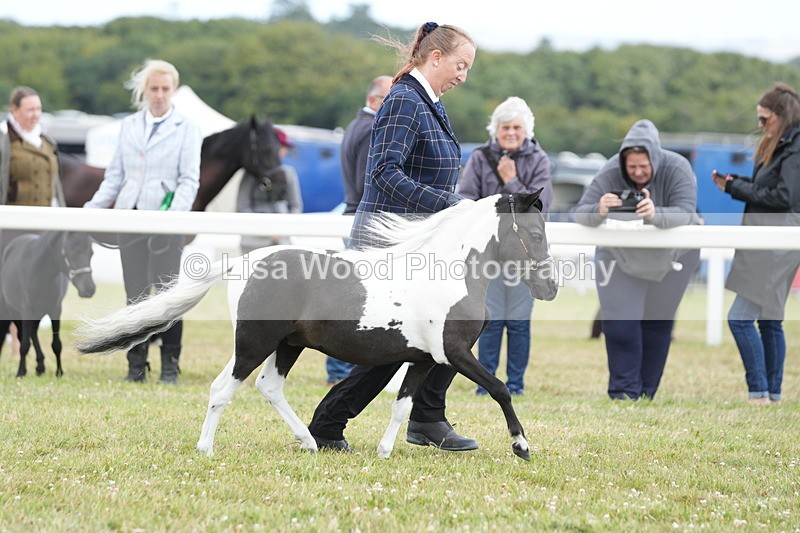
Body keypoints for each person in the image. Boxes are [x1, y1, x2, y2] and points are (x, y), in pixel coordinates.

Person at [308, 21, 478, 452]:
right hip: (389, 236)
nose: (463, 76)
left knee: (443, 325)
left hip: (415, 236)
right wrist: (451, 205)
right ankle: (349, 422)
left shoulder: (427, 100)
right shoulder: (405, 100)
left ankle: (419, 418)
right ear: (435, 57)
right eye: (460, 65)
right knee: (407, 336)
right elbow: (383, 173)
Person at [84, 59, 202, 385]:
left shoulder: (188, 128)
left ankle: (169, 367)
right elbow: (115, 177)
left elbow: (189, 181)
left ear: (173, 90)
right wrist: (90, 208)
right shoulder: (129, 125)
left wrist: (172, 220)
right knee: (134, 295)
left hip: (167, 223)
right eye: (154, 88)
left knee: (167, 295)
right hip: (130, 218)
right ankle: (136, 366)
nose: (160, 94)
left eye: (165, 88)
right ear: (144, 90)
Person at [572, 119, 701, 401]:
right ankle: (622, 392)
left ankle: (645, 393)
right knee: (620, 324)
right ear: (623, 163)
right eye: (632, 167)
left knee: (657, 324)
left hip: (674, 257)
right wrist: (600, 209)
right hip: (620, 255)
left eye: (644, 166)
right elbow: (580, 212)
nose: (638, 172)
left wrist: (655, 215)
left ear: (655, 158)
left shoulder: (678, 166)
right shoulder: (609, 169)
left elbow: (687, 212)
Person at [457, 96, 553, 396]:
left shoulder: (539, 159)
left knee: (519, 322)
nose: (511, 132)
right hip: (489, 253)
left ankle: (516, 385)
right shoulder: (479, 157)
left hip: (526, 255)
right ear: (495, 129)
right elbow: (466, 199)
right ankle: (485, 385)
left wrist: (511, 182)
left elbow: (541, 207)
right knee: (489, 319)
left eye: (516, 127)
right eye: (505, 127)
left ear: (527, 130)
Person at [712, 82, 800, 404]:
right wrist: (734, 184)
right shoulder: (779, 145)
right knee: (770, 319)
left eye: (765, 119)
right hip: (772, 238)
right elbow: (771, 191)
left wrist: (738, 189)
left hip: (776, 242)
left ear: (782, 115)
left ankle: (758, 393)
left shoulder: (795, 147)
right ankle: (772, 394)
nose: (760, 125)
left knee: (739, 317)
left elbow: (784, 197)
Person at [325, 74, 394, 385]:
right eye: (389, 99)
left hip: (352, 215)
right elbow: (372, 182)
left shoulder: (355, 125)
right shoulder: (370, 129)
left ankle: (339, 369)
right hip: (366, 219)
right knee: (358, 298)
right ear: (373, 101)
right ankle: (340, 369)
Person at [1, 86, 66, 352]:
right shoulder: (5, 142)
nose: (35, 114)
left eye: (38, 109)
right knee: (9, 287)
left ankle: (22, 344)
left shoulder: (47, 141)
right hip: (12, 226)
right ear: (15, 110)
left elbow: (56, 186)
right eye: (29, 109)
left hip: (43, 226)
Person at [236, 127, 303, 254]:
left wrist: (284, 230)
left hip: (282, 241)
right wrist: (266, 231)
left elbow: (296, 205)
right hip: (253, 242)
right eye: (282, 147)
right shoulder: (250, 174)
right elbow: (243, 206)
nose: (284, 152)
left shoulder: (288, 173)